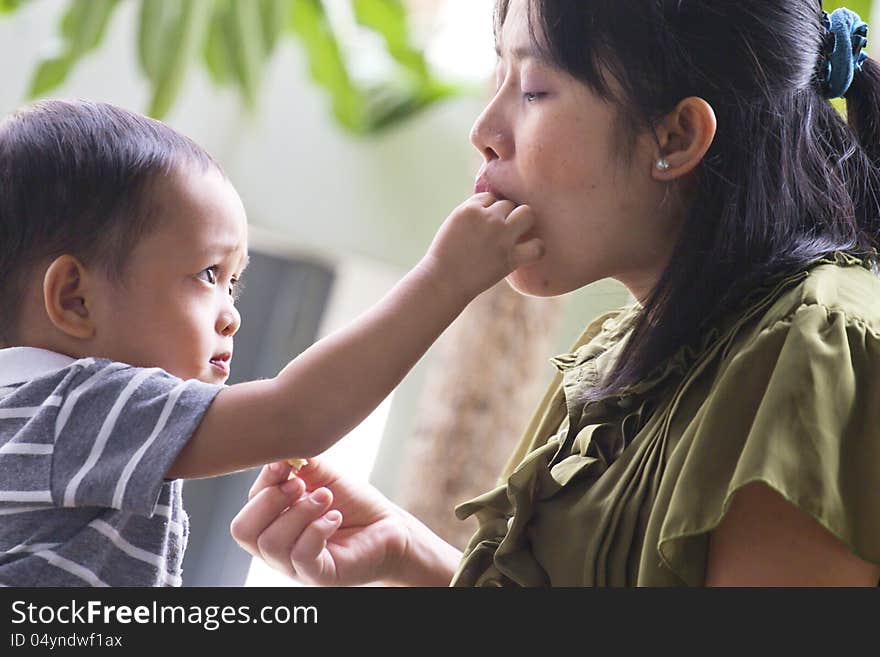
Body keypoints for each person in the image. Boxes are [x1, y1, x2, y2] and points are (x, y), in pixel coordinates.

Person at [231, 0, 880, 586]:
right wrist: (409, 555)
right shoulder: (618, 348)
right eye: (500, 78)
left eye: (535, 90)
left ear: (676, 136)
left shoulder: (814, 349)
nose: (484, 128)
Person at [0, 99, 544, 586]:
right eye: (208, 274)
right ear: (75, 299)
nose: (231, 316)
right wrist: (447, 278)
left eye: (233, 284)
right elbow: (296, 413)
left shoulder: (33, 418)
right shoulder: (76, 405)